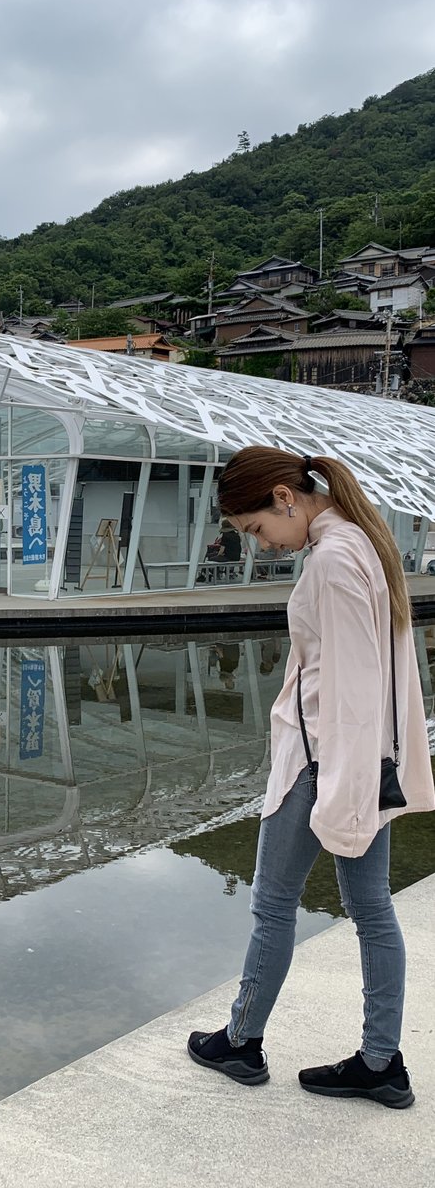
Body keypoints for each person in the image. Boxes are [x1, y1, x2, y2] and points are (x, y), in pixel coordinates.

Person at [187, 446, 435, 1108]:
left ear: (283, 497)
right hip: (359, 761)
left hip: (324, 760)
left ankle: (241, 1042)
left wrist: (340, 788)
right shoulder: (361, 541)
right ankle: (381, 1061)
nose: (262, 544)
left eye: (257, 529)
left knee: (273, 904)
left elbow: (349, 683)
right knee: (372, 907)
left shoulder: (332, 558)